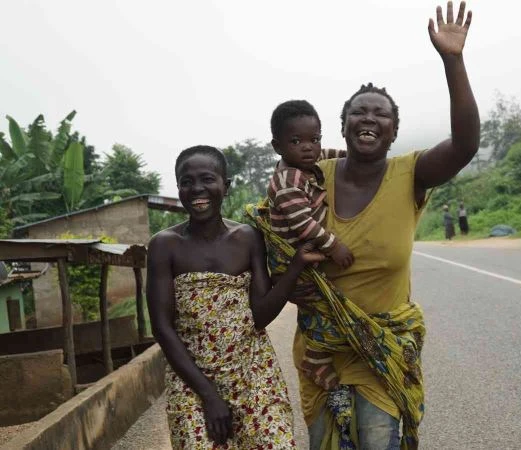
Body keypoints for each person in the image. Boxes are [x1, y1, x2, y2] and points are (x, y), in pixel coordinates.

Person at [289, 2, 480, 448]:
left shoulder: (411, 174)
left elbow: (466, 144)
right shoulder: (311, 177)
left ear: (393, 131)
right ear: (343, 126)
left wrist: (453, 60)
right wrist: (286, 276)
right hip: (322, 354)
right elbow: (271, 232)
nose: (369, 119)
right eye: (359, 112)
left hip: (384, 349)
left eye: (381, 114)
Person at [147, 145, 325, 449]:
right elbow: (162, 328)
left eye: (207, 179)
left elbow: (259, 316)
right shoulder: (165, 245)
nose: (197, 189)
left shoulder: (248, 238)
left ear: (225, 186)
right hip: (192, 380)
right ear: (178, 188)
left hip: (253, 374)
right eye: (186, 182)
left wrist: (295, 267)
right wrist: (208, 394)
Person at [265, 99, 353, 393]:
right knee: (324, 308)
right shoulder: (288, 181)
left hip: (305, 255)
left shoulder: (307, 162)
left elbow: (330, 155)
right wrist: (334, 246)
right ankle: (315, 359)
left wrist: (356, 155)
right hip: (293, 259)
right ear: (278, 146)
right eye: (297, 141)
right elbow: (303, 224)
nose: (309, 147)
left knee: (322, 308)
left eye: (314, 139)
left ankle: (319, 354)